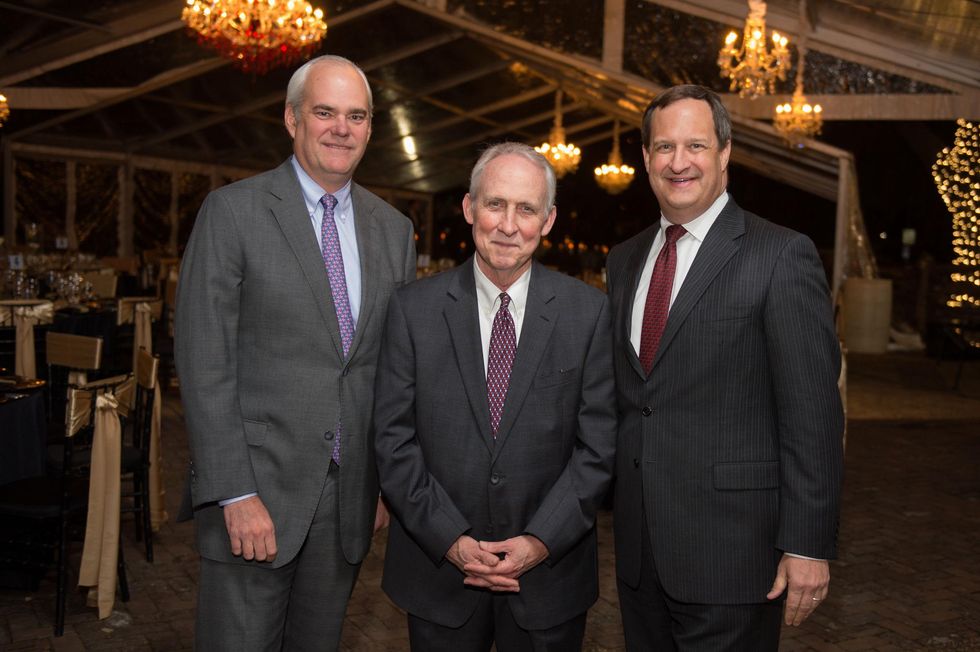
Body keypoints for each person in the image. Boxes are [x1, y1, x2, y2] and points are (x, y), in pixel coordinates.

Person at [174, 55, 416, 650]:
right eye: (324, 111)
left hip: (347, 500)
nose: (341, 127)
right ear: (291, 119)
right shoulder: (233, 212)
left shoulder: (394, 230)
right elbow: (205, 363)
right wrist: (233, 490)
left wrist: (384, 482)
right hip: (257, 492)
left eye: (356, 115)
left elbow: (393, 370)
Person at [606, 84, 844, 651]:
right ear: (645, 158)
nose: (679, 162)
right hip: (641, 554)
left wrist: (808, 543)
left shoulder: (780, 254)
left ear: (725, 152)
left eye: (696, 145)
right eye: (664, 147)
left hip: (736, 555)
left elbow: (812, 414)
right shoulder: (625, 260)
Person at [373, 142, 617, 651]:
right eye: (495, 204)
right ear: (468, 208)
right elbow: (393, 441)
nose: (509, 225)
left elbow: (596, 449)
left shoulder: (588, 314)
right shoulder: (412, 310)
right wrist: (452, 541)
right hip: (439, 574)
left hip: (548, 580)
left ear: (547, 220)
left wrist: (538, 541)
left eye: (526, 209)